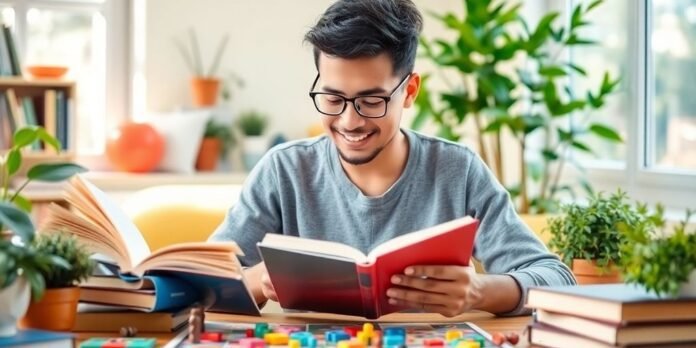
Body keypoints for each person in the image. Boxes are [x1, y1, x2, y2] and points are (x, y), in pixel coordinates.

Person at [209, 0, 576, 317]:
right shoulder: (284, 171)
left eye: (372, 101)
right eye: (333, 98)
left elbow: (557, 279)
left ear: (410, 91)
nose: (350, 121)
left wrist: (480, 291)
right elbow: (202, 283)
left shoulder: (458, 171)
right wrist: (259, 280)